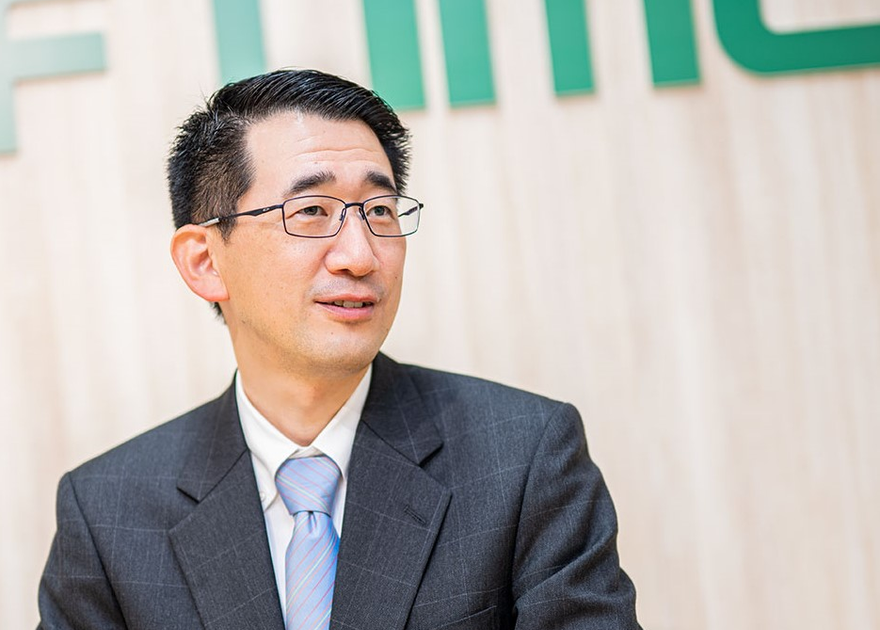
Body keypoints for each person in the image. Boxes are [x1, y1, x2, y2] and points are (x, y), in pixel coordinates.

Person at [37, 69, 639, 630]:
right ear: (205, 262)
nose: (360, 255)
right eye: (311, 211)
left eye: (379, 210)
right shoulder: (108, 515)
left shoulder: (524, 457)